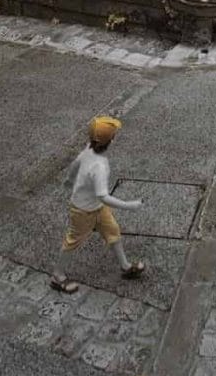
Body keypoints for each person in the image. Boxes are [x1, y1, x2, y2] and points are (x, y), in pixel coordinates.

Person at [50, 115, 146, 293]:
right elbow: (103, 196)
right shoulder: (99, 167)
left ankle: (125, 267)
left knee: (113, 231)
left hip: (97, 208)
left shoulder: (88, 149)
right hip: (83, 210)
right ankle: (57, 276)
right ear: (111, 140)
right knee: (73, 241)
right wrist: (129, 205)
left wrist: (69, 181)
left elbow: (75, 164)